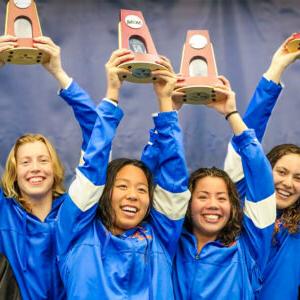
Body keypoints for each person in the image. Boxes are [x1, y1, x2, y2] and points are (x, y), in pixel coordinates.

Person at [54, 47, 190, 299]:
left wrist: (165, 103)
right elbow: (92, 169)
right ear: (104, 193)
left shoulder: (161, 235)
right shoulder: (75, 232)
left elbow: (173, 178)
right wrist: (112, 93)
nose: (133, 195)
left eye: (141, 189)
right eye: (122, 186)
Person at [0, 34, 93, 300]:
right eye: (25, 162)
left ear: (54, 168)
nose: (35, 168)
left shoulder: (75, 209)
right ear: (14, 173)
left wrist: (58, 72)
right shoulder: (4, 211)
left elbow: (97, 135)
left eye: (43, 160)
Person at [169, 77, 276, 299]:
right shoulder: (169, 245)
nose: (213, 205)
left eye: (221, 198)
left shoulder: (249, 249)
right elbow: (162, 173)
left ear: (233, 205)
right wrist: (168, 111)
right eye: (203, 196)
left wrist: (232, 115)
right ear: (188, 204)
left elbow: (261, 176)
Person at [224, 35, 300, 300]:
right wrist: (275, 70)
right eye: (281, 172)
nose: (288, 183)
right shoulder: (239, 205)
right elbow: (246, 142)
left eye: (298, 178)